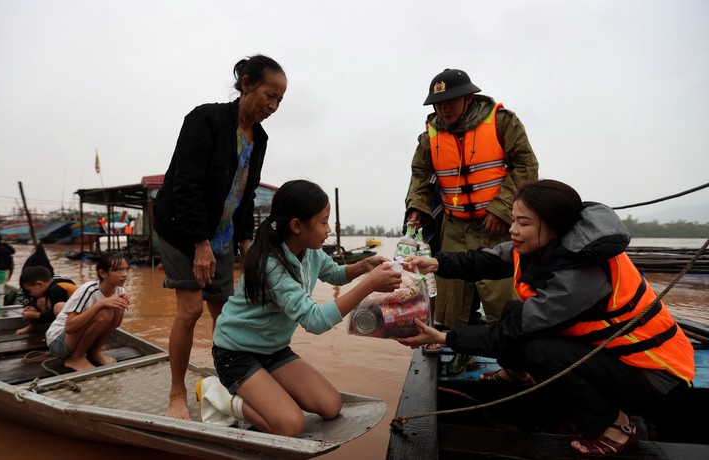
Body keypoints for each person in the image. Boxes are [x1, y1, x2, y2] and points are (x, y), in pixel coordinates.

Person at [398, 179, 694, 457]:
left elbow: (508, 333)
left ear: (554, 228)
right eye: (513, 219)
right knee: (515, 309)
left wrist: (445, 337)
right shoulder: (543, 246)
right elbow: (485, 259)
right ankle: (516, 372)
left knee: (537, 349)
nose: (512, 229)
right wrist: (436, 262)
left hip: (654, 377)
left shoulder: (578, 276)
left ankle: (615, 425)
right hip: (618, 358)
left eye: (523, 223)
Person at [206, 180, 402, 436]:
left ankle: (265, 388)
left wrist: (365, 266)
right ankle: (221, 396)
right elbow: (315, 321)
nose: (329, 229)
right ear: (297, 225)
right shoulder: (271, 266)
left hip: (273, 349)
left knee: (331, 406)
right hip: (236, 353)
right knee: (291, 425)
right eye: (323, 221)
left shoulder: (310, 252)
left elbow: (335, 274)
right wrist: (370, 284)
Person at [153, 54, 288, 420]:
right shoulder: (205, 120)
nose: (273, 106)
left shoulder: (258, 138)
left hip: (222, 233)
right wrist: (200, 243)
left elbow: (245, 195)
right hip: (182, 226)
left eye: (279, 100)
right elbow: (186, 184)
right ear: (246, 84)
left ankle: (232, 384)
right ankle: (177, 395)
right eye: (269, 95)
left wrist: (247, 245)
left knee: (225, 313)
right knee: (191, 309)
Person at [404, 68, 539, 362]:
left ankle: (512, 356)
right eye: (438, 103)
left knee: (502, 295)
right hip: (454, 225)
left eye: (451, 100)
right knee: (451, 296)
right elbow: (421, 176)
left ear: (468, 97)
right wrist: (416, 207)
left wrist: (501, 209)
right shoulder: (430, 136)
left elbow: (526, 166)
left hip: (497, 226)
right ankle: (452, 345)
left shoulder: (503, 122)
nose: (444, 108)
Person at [45, 251, 130, 372]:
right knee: (104, 312)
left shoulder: (120, 291)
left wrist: (122, 305)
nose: (125, 274)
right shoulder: (89, 289)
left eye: (127, 269)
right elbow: (69, 327)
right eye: (118, 270)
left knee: (110, 310)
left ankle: (95, 352)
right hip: (58, 343)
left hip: (74, 341)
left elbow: (115, 324)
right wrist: (99, 305)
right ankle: (76, 358)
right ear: (102, 273)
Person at [16, 265, 77, 335]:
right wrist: (32, 309)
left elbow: (57, 315)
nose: (30, 294)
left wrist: (35, 315)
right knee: (39, 303)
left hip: (79, 316)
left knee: (56, 306)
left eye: (30, 290)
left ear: (39, 284)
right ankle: (33, 326)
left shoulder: (56, 289)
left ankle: (61, 333)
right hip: (71, 313)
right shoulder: (51, 286)